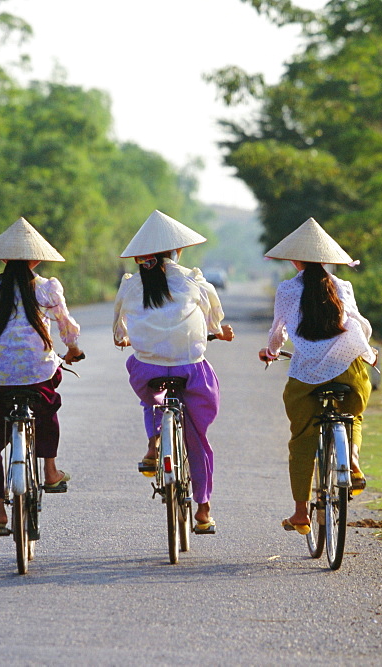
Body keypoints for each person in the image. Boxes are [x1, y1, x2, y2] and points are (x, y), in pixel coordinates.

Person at [112, 210, 234, 535]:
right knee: (197, 436)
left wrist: (124, 337)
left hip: (145, 369)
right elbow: (213, 318)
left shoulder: (131, 285)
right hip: (189, 369)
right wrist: (218, 331)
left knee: (151, 401)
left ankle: (154, 443)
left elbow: (119, 325)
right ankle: (203, 510)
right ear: (176, 251)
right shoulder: (193, 280)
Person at [0, 218, 84, 541]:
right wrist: (72, 348)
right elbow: (66, 325)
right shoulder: (47, 287)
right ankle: (50, 471)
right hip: (37, 372)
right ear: (36, 259)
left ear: (3, 259)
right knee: (48, 407)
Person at [257, 218, 377, 535]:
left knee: (301, 440)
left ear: (295, 259)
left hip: (307, 374)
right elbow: (358, 324)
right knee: (354, 416)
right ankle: (351, 460)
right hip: (348, 368)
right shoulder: (342, 286)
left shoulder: (287, 289)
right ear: (326, 259)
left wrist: (270, 351)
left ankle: (300, 513)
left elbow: (277, 333)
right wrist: (369, 351)